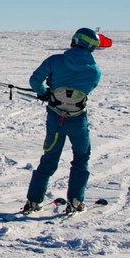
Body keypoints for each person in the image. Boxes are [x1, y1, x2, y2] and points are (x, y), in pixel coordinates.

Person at [24, 28, 102, 214]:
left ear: (75, 41)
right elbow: (87, 89)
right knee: (81, 158)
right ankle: (76, 200)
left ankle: (34, 201)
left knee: (49, 159)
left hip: (55, 119)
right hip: (78, 121)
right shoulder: (95, 71)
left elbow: (35, 82)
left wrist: (44, 93)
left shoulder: (55, 60)